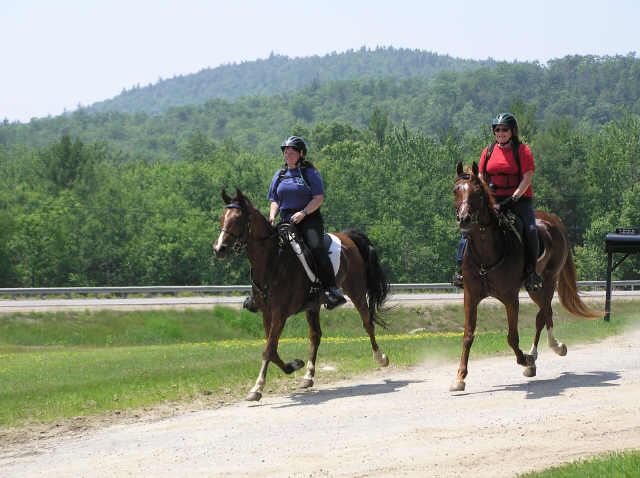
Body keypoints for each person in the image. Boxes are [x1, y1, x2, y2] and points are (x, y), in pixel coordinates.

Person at [243, 135, 347, 311]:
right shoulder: (280, 175)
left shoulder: (309, 173)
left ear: (301, 154)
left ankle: (330, 290)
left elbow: (318, 198)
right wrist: (272, 216)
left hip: (308, 219)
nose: (288, 155)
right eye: (286, 152)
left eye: (291, 152)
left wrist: (303, 212)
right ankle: (257, 294)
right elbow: (275, 200)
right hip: (285, 220)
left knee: (315, 247)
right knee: (263, 249)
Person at [452, 113, 543, 292]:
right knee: (468, 226)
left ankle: (531, 272)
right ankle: (461, 271)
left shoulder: (523, 151)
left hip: (519, 199)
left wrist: (514, 198)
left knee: (531, 230)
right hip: (493, 199)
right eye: (497, 129)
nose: (500, 132)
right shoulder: (489, 151)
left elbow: (527, 178)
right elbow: (480, 177)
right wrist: (486, 198)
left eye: (504, 129)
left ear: (512, 131)